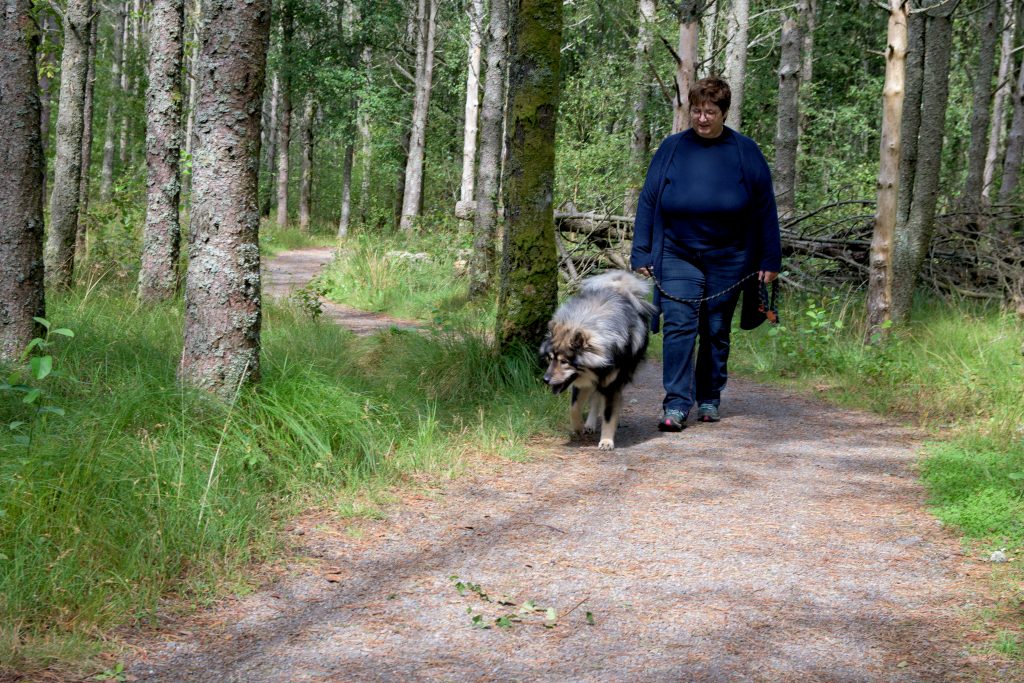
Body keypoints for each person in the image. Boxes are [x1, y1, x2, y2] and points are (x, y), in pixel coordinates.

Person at [630, 77, 781, 432]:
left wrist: (770, 259)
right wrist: (641, 251)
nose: (701, 118)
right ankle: (677, 404)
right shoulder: (672, 149)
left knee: (714, 328)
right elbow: (649, 199)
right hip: (677, 252)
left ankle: (709, 395)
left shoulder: (746, 152)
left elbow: (764, 208)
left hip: (730, 256)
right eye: (696, 111)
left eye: (709, 112)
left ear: (724, 113)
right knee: (679, 325)